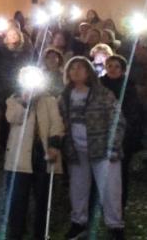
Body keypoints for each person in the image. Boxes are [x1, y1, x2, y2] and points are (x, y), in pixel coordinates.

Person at [58, 57, 125, 240]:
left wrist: (114, 145)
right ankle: (79, 223)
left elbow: (117, 121)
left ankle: (115, 227)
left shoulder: (103, 94)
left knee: (110, 190)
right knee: (77, 189)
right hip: (77, 151)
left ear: (89, 72)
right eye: (72, 68)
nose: (76, 71)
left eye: (81, 68)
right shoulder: (64, 97)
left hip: (102, 149)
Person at [2, 66, 64, 240]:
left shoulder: (49, 100)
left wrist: (54, 145)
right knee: (17, 200)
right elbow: (12, 118)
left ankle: (40, 232)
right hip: (20, 158)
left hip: (43, 156)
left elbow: (56, 124)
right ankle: (16, 232)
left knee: (43, 199)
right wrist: (24, 102)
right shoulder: (13, 100)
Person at [100, 55, 142, 210]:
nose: (112, 69)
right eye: (109, 65)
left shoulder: (129, 88)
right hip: (100, 136)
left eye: (116, 66)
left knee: (120, 174)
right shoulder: (99, 86)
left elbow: (132, 113)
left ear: (122, 70)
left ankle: (118, 208)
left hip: (123, 138)